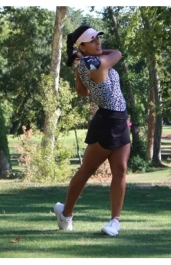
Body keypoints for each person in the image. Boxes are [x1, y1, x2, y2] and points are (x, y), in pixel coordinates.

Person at [53, 25, 130, 236]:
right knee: (87, 170)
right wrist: (85, 57)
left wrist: (80, 59)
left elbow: (82, 92)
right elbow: (118, 53)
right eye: (92, 40)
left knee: (120, 170)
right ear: (83, 46)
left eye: (98, 38)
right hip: (107, 121)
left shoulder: (85, 63)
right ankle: (66, 213)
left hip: (120, 120)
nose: (98, 42)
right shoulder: (94, 62)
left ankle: (115, 221)